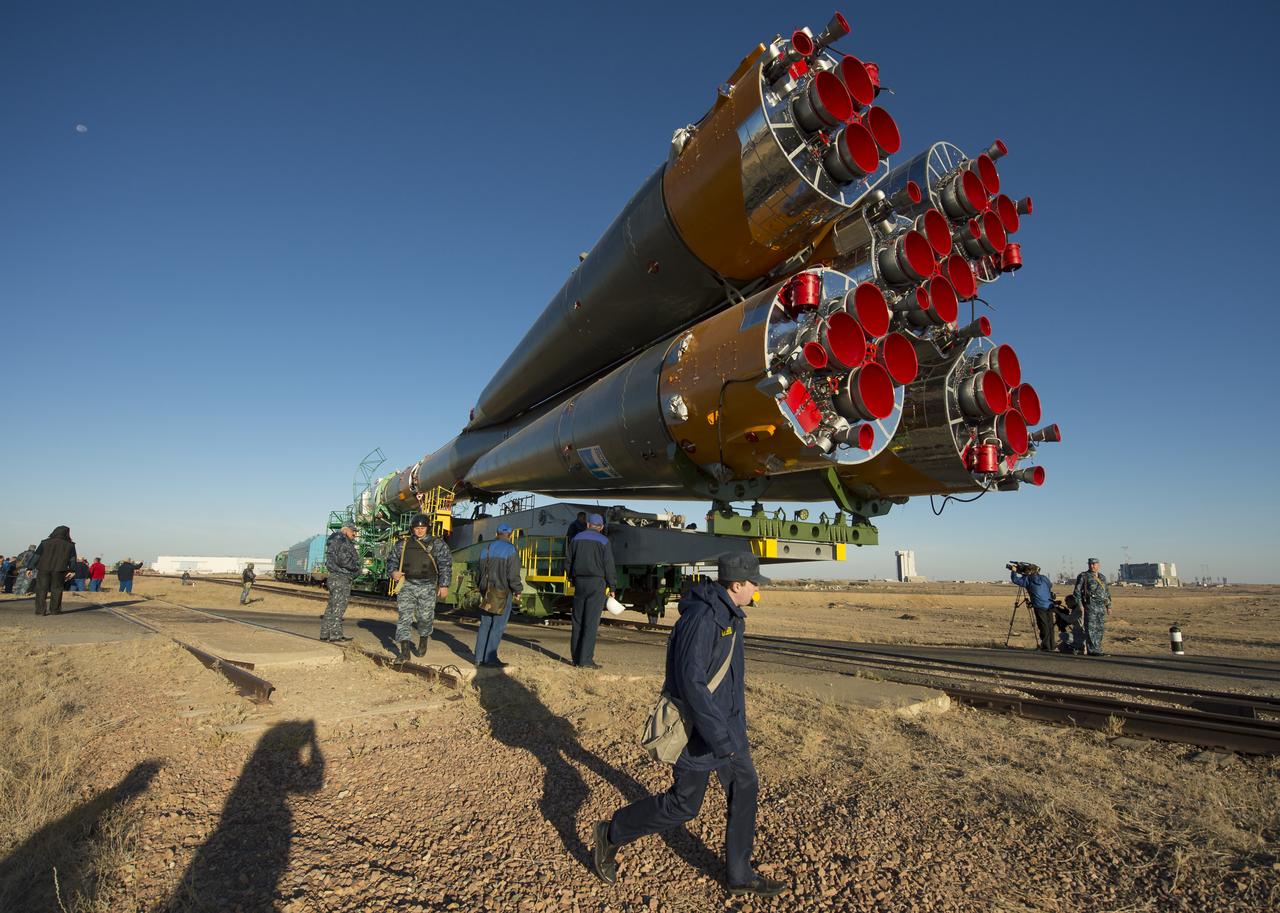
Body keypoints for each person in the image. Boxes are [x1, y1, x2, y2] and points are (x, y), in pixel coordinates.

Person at [591, 553, 786, 898]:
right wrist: (719, 737)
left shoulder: (731, 616)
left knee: (746, 787)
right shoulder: (702, 618)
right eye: (754, 583)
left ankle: (739, 874)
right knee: (683, 805)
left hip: (728, 728)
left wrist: (734, 729)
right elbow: (691, 683)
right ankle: (611, 832)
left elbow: (727, 679)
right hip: (701, 733)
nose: (758, 589)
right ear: (737, 585)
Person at [385, 514, 452, 662]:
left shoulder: (438, 544)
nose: (420, 531)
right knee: (404, 618)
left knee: (425, 618)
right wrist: (393, 572)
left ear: (427, 528)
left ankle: (423, 639)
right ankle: (404, 652)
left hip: (427, 585)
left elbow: (445, 565)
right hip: (407, 585)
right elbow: (391, 561)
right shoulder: (403, 544)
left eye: (422, 528)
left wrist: (444, 584)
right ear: (412, 529)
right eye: (417, 528)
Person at [567, 513, 616, 669]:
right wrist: (612, 586)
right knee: (590, 622)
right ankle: (585, 660)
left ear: (588, 524)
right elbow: (609, 566)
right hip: (596, 583)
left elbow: (568, 561)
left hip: (579, 582)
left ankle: (575, 658)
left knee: (577, 621)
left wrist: (572, 579)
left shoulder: (576, 539)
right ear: (600, 527)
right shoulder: (604, 541)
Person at [474, 523, 523, 667]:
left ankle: (479, 658)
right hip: (502, 592)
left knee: (485, 624)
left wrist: (482, 589)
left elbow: (479, 573)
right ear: (510, 534)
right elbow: (513, 575)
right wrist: (517, 590)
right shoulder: (511, 550)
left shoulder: (486, 549)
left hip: (487, 592)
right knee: (498, 626)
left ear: (496, 533)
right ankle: (490, 659)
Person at [320, 523, 361, 642]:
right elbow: (343, 559)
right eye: (353, 531)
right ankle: (335, 635)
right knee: (339, 606)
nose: (355, 534)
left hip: (335, 576)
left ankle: (325, 633)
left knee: (332, 606)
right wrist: (356, 567)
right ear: (346, 530)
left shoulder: (335, 540)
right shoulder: (342, 541)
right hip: (341, 577)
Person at [1008, 562, 1055, 651]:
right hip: (1049, 604)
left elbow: (1015, 580)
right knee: (1050, 626)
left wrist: (1014, 571)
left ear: (1028, 572)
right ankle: (1052, 646)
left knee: (1043, 626)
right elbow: (1050, 585)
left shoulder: (1028, 579)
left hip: (1039, 605)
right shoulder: (1044, 578)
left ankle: (1046, 647)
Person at [32, 526, 77, 616]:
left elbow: (36, 556)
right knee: (57, 590)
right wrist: (72, 570)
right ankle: (55, 610)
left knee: (41, 589)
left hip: (43, 568)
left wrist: (30, 567)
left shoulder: (45, 542)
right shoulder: (70, 545)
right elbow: (72, 559)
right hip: (59, 570)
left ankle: (40, 611)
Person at [1074, 558, 1112, 656]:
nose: (1092, 566)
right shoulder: (1084, 576)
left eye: (1094, 564)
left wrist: (1108, 606)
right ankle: (1092, 650)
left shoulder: (1102, 577)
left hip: (1100, 606)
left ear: (1098, 565)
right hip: (1090, 606)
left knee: (1100, 628)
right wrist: (1080, 605)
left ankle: (1098, 648)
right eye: (1090, 564)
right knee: (1091, 628)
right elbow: (1077, 592)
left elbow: (1106, 592)